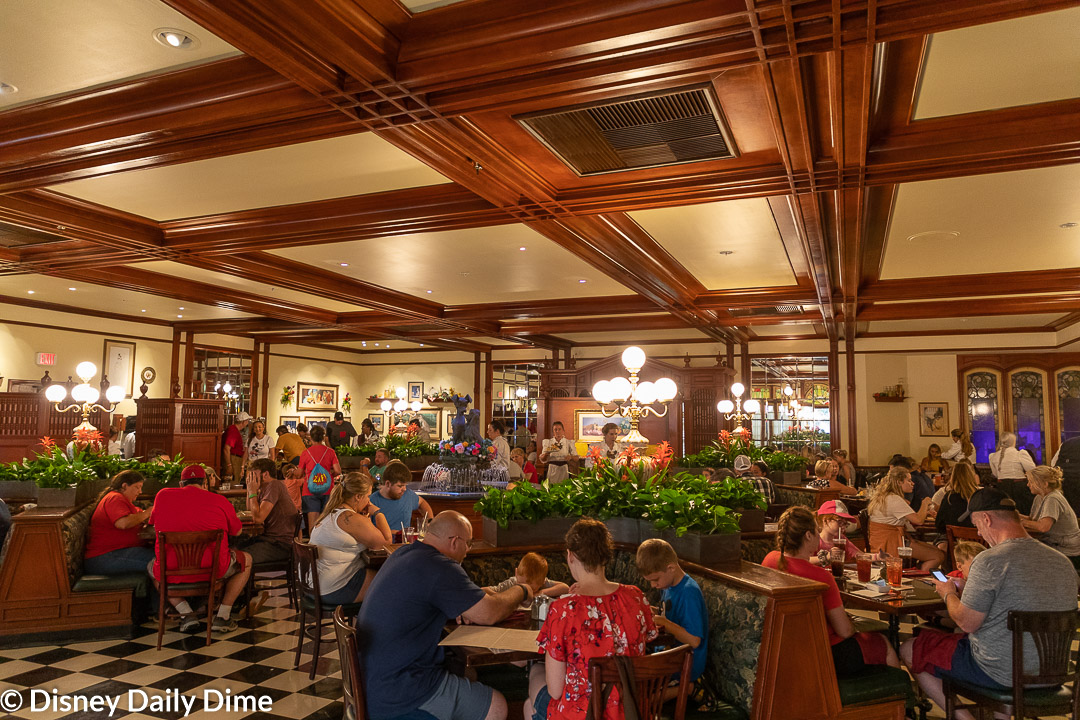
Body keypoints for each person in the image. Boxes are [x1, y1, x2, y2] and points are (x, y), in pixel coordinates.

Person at [900, 488, 1079, 717]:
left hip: (1000, 674)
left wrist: (948, 593)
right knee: (1000, 645)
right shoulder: (1063, 562)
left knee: (911, 648)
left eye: (977, 525)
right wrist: (970, 588)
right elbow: (1025, 597)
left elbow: (967, 623)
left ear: (986, 518)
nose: (979, 533)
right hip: (1056, 672)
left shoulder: (990, 560)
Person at [356, 511, 537, 720]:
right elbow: (489, 613)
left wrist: (469, 604)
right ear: (454, 542)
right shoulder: (440, 566)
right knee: (496, 705)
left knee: (469, 674)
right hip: (400, 691)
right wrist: (522, 589)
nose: (468, 551)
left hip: (372, 680)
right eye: (468, 544)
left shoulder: (404, 553)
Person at [525, 518, 657, 720]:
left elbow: (555, 691)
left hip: (583, 714)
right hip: (632, 711)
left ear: (570, 555)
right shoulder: (636, 597)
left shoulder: (563, 610)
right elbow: (644, 640)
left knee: (533, 683)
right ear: (606, 556)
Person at [764, 507, 899, 677]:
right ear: (808, 535)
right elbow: (845, 631)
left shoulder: (770, 559)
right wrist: (852, 623)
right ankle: (901, 698)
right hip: (823, 653)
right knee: (883, 642)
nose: (818, 533)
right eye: (816, 530)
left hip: (782, 648)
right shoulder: (821, 577)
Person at [150, 465, 253, 633]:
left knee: (154, 569)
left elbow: (152, 522)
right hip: (213, 569)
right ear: (205, 483)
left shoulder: (162, 496)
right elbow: (238, 531)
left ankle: (186, 613)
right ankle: (223, 616)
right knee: (246, 560)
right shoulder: (220, 500)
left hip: (171, 569)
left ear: (181, 484)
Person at [636, 538, 708, 695]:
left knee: (644, 698)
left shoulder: (689, 592)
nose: (653, 586)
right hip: (667, 657)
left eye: (655, 580)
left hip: (686, 665)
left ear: (671, 568)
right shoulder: (668, 584)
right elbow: (667, 614)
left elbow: (695, 641)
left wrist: (664, 623)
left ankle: (691, 688)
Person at [308, 472, 391, 604]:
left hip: (315, 585)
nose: (369, 501)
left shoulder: (332, 512)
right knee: (393, 580)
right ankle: (372, 623)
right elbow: (385, 543)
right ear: (358, 496)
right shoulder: (349, 517)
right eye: (368, 496)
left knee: (382, 575)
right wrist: (377, 512)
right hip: (333, 589)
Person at [868, 466, 944, 569]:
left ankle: (915, 572)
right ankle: (918, 578)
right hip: (891, 543)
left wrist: (926, 511)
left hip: (884, 540)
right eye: (908, 480)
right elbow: (918, 521)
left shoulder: (886, 496)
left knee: (936, 551)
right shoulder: (894, 499)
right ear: (899, 482)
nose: (912, 483)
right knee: (937, 556)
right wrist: (925, 503)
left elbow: (911, 518)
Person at [83, 469, 154, 576]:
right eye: (137, 487)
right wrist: (147, 513)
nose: (140, 492)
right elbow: (123, 523)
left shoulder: (124, 501)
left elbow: (138, 516)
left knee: (162, 556)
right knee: (162, 561)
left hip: (116, 553)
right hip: (105, 557)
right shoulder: (115, 498)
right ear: (124, 486)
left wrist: (146, 515)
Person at [232, 458, 298, 564]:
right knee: (233, 547)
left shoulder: (274, 485)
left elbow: (257, 518)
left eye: (254, 475)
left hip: (280, 545)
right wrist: (250, 490)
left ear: (265, 474)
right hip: (269, 540)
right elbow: (251, 511)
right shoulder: (265, 488)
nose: (251, 478)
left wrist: (253, 491)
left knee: (238, 557)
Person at [1022, 465, 1080, 569]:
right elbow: (1033, 520)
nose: (1028, 484)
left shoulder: (1053, 498)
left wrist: (1020, 522)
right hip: (1053, 544)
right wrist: (1013, 515)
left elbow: (1043, 527)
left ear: (1045, 484)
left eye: (1031, 481)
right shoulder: (1040, 497)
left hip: (1066, 551)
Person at [369, 460, 433, 534]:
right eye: (400, 486)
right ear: (388, 484)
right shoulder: (372, 501)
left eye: (405, 485)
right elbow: (368, 532)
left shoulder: (408, 495)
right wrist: (393, 533)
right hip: (384, 544)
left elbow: (422, 503)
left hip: (406, 543)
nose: (404, 489)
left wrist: (430, 521)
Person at [485, 552, 570, 608]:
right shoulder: (512, 583)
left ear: (542, 582)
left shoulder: (542, 584)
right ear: (516, 573)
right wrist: (501, 598)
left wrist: (540, 593)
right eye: (521, 585)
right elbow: (483, 590)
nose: (526, 590)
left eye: (531, 588)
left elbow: (565, 587)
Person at [298, 425, 342, 532]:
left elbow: (299, 473)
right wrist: (329, 473)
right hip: (327, 489)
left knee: (313, 525)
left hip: (309, 490)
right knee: (326, 522)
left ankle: (314, 547)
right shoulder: (330, 451)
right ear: (323, 437)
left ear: (311, 437)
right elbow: (338, 471)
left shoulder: (306, 452)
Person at [988, 431, 1035, 514]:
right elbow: (1033, 470)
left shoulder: (993, 456)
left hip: (1002, 487)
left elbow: (995, 474)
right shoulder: (1020, 454)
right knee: (1022, 512)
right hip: (1019, 488)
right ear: (1014, 442)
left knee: (1006, 513)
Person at [811, 500, 868, 564]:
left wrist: (878, 557)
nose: (843, 527)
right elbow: (803, 560)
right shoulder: (814, 540)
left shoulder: (841, 539)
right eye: (840, 522)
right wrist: (826, 557)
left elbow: (860, 555)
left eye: (845, 523)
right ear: (825, 520)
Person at [934, 461, 979, 532]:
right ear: (971, 476)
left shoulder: (949, 497)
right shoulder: (980, 496)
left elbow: (939, 524)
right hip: (977, 539)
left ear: (953, 476)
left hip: (953, 539)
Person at [222, 411, 252, 481]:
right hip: (233, 459)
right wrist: (229, 465)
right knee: (233, 482)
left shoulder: (234, 430)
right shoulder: (233, 431)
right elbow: (226, 449)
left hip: (235, 458)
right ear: (243, 422)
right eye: (247, 421)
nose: (247, 423)